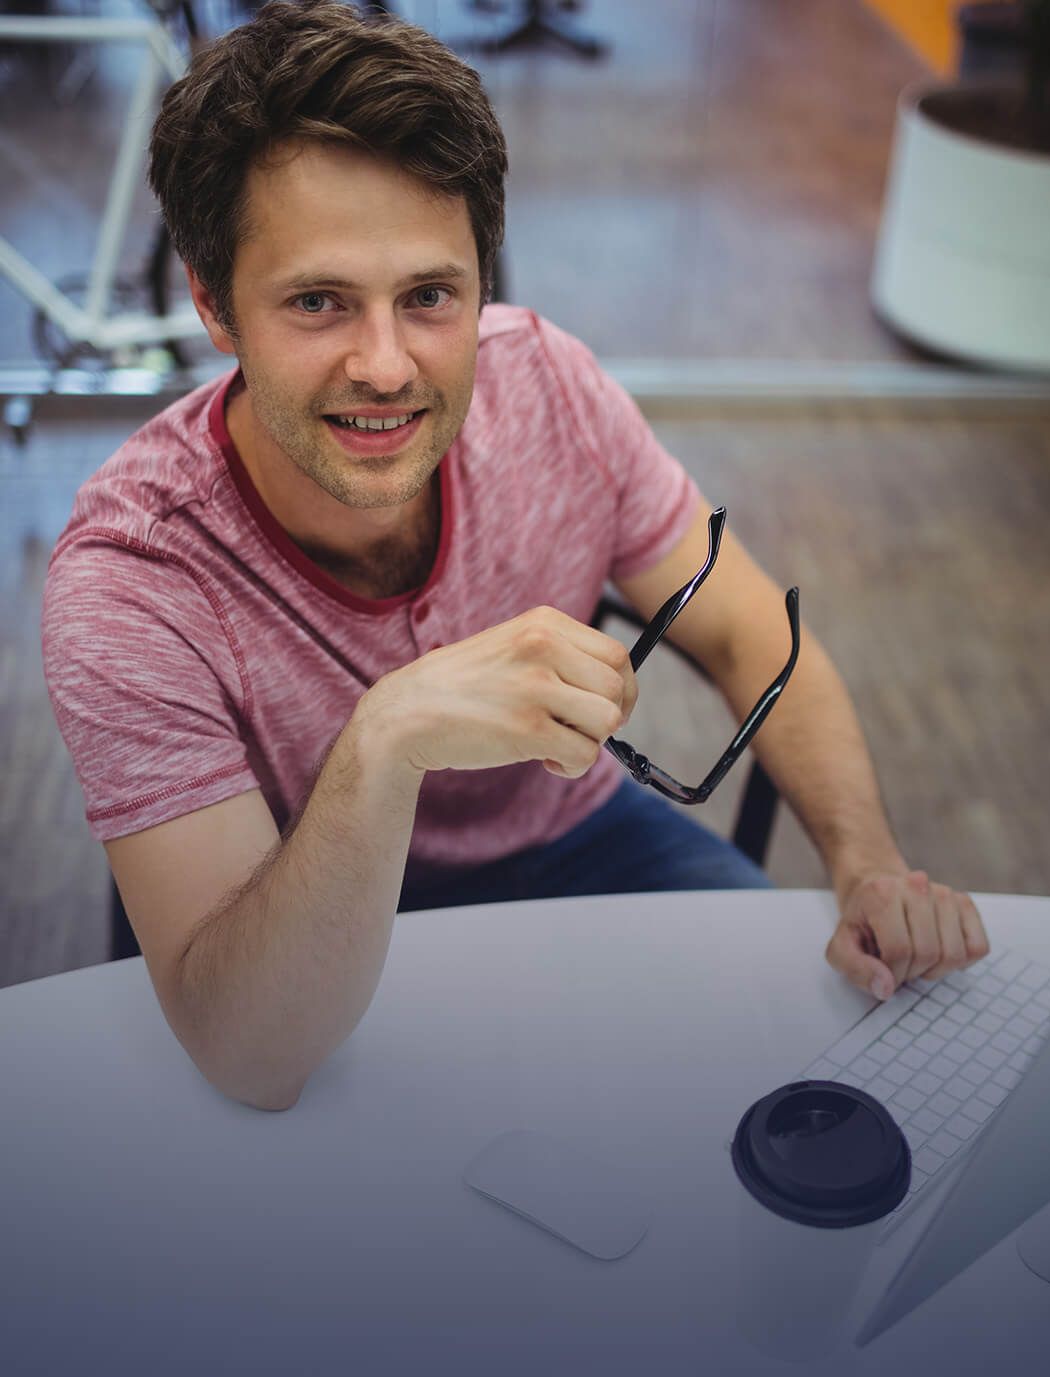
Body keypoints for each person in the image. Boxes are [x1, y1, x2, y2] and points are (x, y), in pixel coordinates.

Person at [41, 1, 989, 1110]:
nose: (388, 366)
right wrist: (384, 739)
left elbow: (742, 628)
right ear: (212, 304)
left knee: (810, 1074)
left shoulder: (550, 386)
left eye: (430, 297)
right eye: (318, 302)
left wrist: (866, 859)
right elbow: (251, 1052)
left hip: (574, 836)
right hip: (297, 886)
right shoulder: (130, 582)